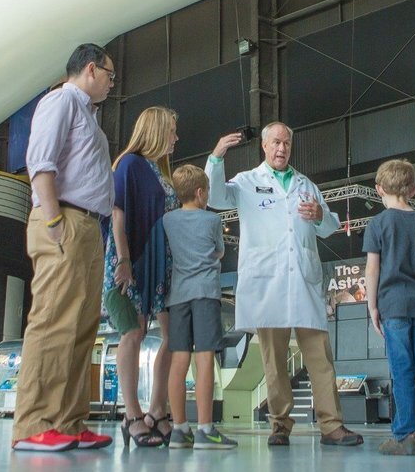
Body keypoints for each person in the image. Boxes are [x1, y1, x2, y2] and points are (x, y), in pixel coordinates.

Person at [207, 123, 363, 447]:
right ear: (264, 146)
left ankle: (332, 425)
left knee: (320, 355)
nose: (282, 148)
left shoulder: (306, 185)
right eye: (276, 142)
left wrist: (321, 214)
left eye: (287, 143)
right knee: (274, 361)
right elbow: (215, 197)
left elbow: (329, 226)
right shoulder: (249, 182)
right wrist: (217, 157)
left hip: (304, 281)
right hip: (268, 284)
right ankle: (279, 424)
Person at [11, 44, 117, 453]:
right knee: (53, 321)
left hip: (88, 225)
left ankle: (69, 422)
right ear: (91, 69)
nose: (111, 82)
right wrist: (54, 220)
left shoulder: (86, 114)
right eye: (110, 74)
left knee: (80, 326)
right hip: (65, 220)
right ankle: (34, 423)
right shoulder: (61, 101)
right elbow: (41, 162)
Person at [106, 107, 179, 448]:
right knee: (132, 333)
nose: (176, 138)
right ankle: (132, 414)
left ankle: (158, 411)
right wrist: (123, 260)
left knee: (173, 335)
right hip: (133, 259)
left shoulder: (161, 171)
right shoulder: (130, 164)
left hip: (161, 263)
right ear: (157, 130)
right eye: (172, 131)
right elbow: (118, 213)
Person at [366, 158, 415, 456]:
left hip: (392, 305)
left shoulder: (377, 223)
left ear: (378, 189)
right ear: (412, 188)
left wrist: (372, 306)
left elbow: (373, 269)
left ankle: (407, 434)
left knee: (402, 369)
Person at [164, 165, 237, 450]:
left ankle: (180, 429)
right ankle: (205, 429)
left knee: (179, 360)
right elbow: (219, 251)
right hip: (205, 293)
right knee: (204, 358)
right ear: (199, 192)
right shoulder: (212, 220)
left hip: (178, 296)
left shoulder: (167, 220)